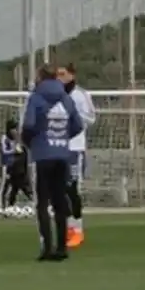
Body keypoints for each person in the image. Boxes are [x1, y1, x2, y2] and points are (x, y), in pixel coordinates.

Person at [22, 64, 83, 262]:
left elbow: (29, 124)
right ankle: (62, 247)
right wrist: (63, 138)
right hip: (62, 154)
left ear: (40, 77)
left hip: (43, 154)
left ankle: (47, 247)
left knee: (42, 203)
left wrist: (30, 141)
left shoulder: (36, 97)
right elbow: (78, 125)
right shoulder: (66, 98)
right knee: (59, 202)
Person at [57, 63, 96, 248]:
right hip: (57, 147)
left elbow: (91, 118)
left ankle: (78, 230)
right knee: (59, 190)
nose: (59, 77)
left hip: (75, 147)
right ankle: (68, 228)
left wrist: (74, 118)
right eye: (57, 74)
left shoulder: (81, 95)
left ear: (71, 75)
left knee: (72, 189)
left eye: (63, 74)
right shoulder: (55, 95)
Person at [0, 120, 32, 208]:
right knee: (5, 186)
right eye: (13, 129)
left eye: (16, 129)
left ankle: (10, 206)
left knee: (17, 187)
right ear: (9, 129)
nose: (15, 131)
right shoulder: (4, 138)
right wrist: (14, 150)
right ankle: (2, 207)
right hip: (6, 166)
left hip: (16, 169)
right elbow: (4, 151)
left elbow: (22, 154)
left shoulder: (18, 140)